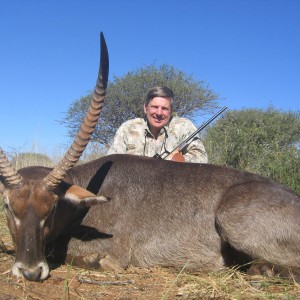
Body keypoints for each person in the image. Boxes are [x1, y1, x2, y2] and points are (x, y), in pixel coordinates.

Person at [107, 86, 208, 163]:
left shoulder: (183, 126)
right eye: (155, 107)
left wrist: (179, 160)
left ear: (171, 111)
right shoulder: (128, 128)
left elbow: (202, 157)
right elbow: (112, 162)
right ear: (145, 108)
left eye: (164, 108)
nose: (159, 113)